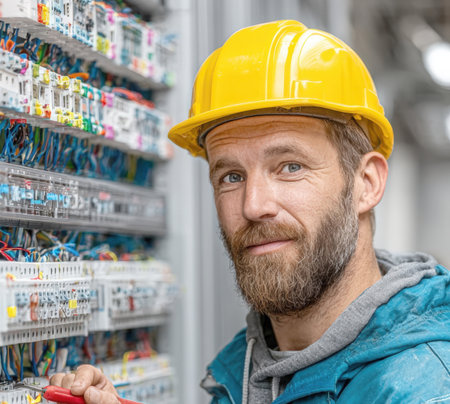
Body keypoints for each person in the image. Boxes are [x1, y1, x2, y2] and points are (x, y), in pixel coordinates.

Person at [51, 20, 450, 403]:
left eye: (290, 167)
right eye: (230, 176)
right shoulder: (251, 366)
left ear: (367, 183)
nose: (254, 205)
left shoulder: (422, 389)